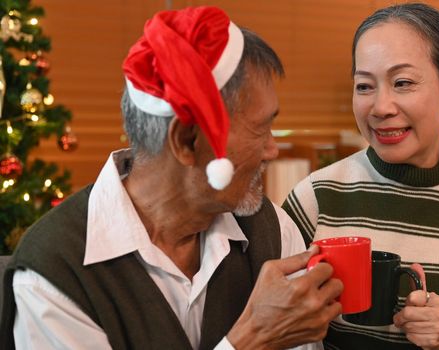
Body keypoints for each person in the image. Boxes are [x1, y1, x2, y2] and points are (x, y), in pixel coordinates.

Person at [0, 6, 343, 350]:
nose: (272, 149)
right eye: (259, 128)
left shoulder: (273, 232)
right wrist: (251, 340)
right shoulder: (54, 277)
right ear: (186, 141)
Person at [282, 3, 439, 350]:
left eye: (403, 82)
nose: (380, 107)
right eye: (364, 86)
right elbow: (269, 316)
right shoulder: (316, 195)